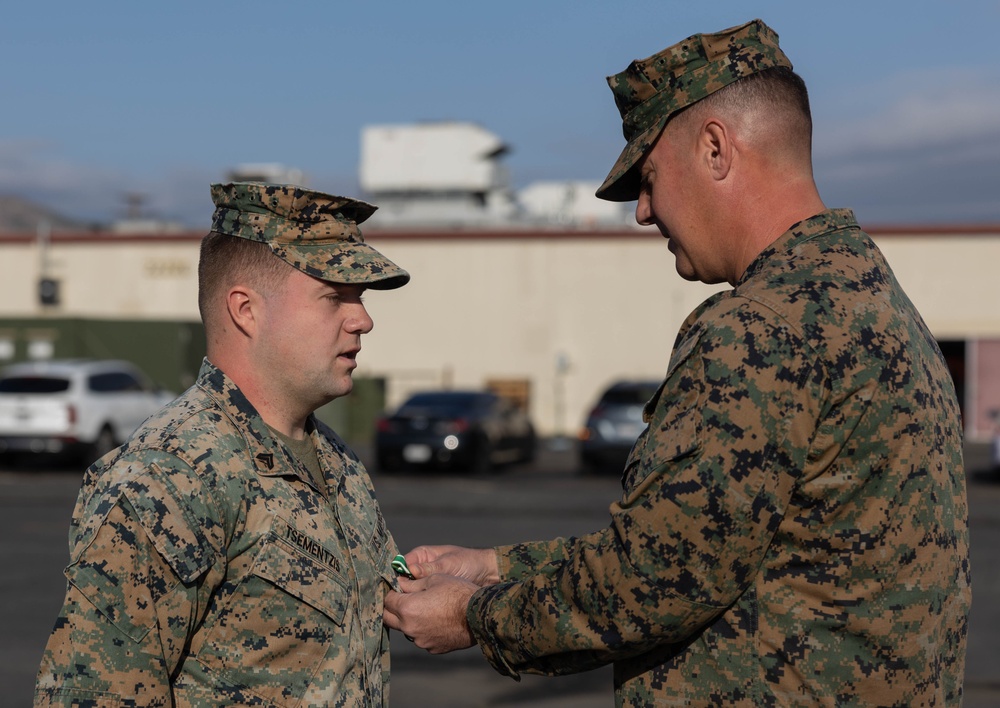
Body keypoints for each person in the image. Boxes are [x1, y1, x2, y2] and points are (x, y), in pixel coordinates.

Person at [384, 18, 972, 705]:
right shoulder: (874, 303)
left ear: (716, 149)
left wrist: (470, 615)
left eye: (650, 177)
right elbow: (705, 539)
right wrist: (491, 567)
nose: (643, 212)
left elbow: (653, 580)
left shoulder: (759, 329)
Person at [34, 182, 410, 706]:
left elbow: (378, 587)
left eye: (361, 299)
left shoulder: (336, 461)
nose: (362, 319)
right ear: (246, 310)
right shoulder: (169, 476)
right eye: (333, 297)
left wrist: (441, 583)